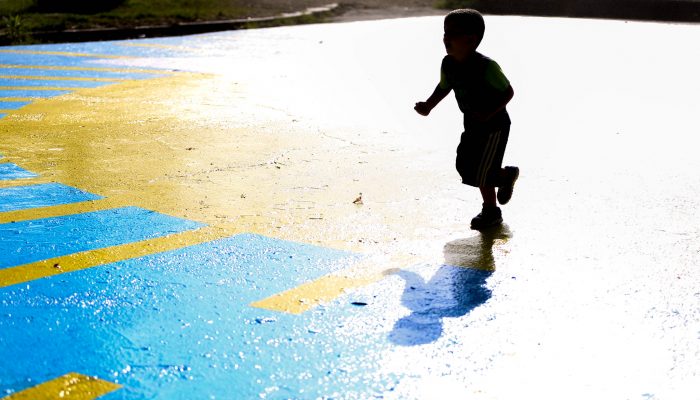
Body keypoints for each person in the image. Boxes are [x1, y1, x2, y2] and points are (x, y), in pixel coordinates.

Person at [415, 9, 519, 230]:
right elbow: (444, 86)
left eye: (453, 33)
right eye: (445, 32)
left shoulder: (486, 67)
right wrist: (429, 105)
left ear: (471, 40)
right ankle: (504, 176)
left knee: (482, 170)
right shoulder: (449, 64)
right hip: (472, 123)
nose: (446, 38)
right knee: (465, 164)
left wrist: (489, 113)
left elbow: (508, 92)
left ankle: (491, 211)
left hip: (494, 126)